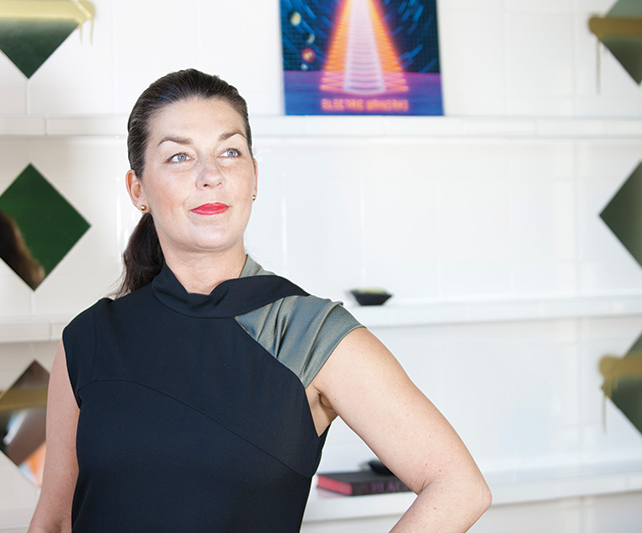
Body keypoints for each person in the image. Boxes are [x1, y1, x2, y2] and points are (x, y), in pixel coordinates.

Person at [28, 68, 491, 532]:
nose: (210, 176)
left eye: (229, 152)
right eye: (179, 157)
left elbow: (458, 486)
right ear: (138, 190)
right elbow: (55, 520)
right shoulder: (88, 340)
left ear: (253, 176)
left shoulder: (309, 334)